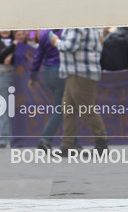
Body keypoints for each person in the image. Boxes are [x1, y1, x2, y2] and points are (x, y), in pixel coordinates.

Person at [51, 28, 108, 156]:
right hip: (77, 72)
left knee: (87, 108)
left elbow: (70, 46)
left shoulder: (75, 26)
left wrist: (56, 41)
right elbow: (100, 45)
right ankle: (67, 146)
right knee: (68, 109)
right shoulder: (89, 25)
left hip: (79, 72)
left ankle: (101, 144)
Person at [28, 29, 63, 151]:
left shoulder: (43, 34)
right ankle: (45, 139)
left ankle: (73, 141)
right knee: (61, 109)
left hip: (48, 72)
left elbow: (39, 55)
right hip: (60, 72)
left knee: (64, 108)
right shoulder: (66, 32)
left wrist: (33, 75)